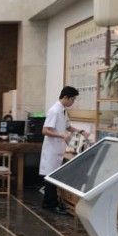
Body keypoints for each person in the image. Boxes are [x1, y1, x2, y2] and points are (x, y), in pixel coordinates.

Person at [39, 86, 88, 215]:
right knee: (50, 179)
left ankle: (48, 203)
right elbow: (45, 130)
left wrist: (81, 131)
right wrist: (61, 135)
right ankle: (51, 204)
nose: (73, 102)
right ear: (65, 97)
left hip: (58, 149)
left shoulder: (63, 110)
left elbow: (68, 127)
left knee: (53, 178)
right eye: (72, 99)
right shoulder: (54, 110)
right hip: (51, 150)